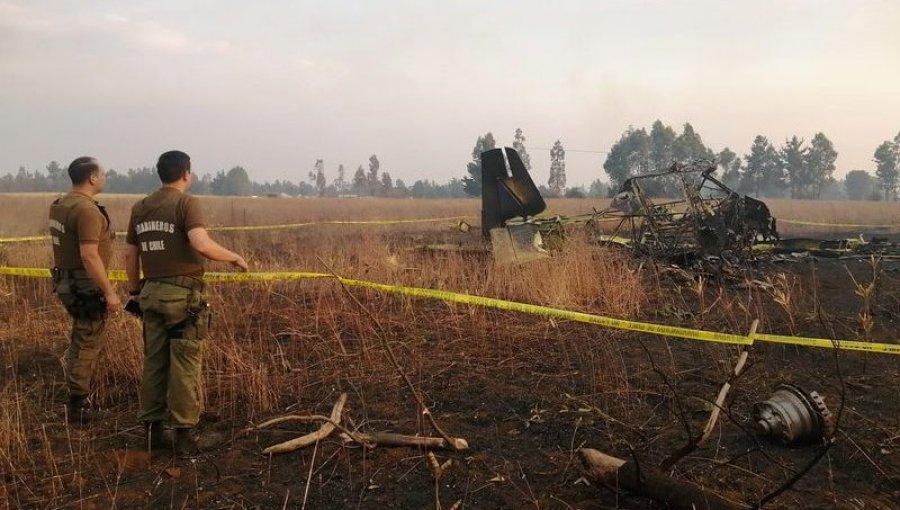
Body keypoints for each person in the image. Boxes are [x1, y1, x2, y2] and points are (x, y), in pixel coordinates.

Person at [124, 150, 248, 454]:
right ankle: (184, 436)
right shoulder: (186, 203)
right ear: (186, 174)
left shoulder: (140, 207)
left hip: (150, 295)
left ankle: (153, 432)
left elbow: (130, 254)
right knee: (185, 365)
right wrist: (234, 257)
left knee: (155, 363)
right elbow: (201, 243)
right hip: (182, 299)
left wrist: (134, 291)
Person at [48, 157, 121, 423]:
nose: (104, 176)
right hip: (85, 286)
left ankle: (76, 389)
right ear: (92, 177)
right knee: (88, 341)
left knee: (80, 337)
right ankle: (79, 403)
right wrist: (109, 292)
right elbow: (89, 256)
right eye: (102, 173)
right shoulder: (87, 211)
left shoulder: (60, 205)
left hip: (66, 281)